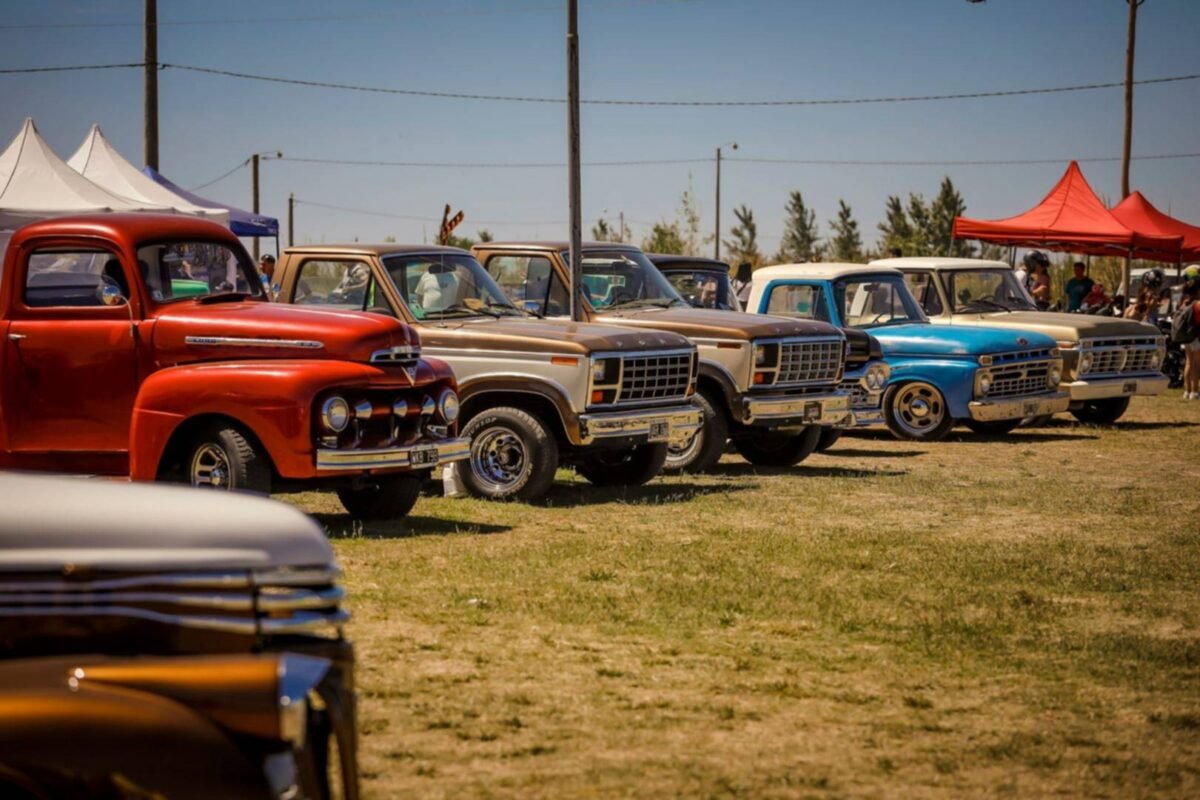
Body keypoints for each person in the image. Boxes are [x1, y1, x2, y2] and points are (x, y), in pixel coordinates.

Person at [1181, 265, 1200, 400]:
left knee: (1188, 362)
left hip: (1186, 336)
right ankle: (1195, 391)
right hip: (1196, 336)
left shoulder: (1184, 301)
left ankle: (1187, 391)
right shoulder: (1197, 303)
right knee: (1196, 363)